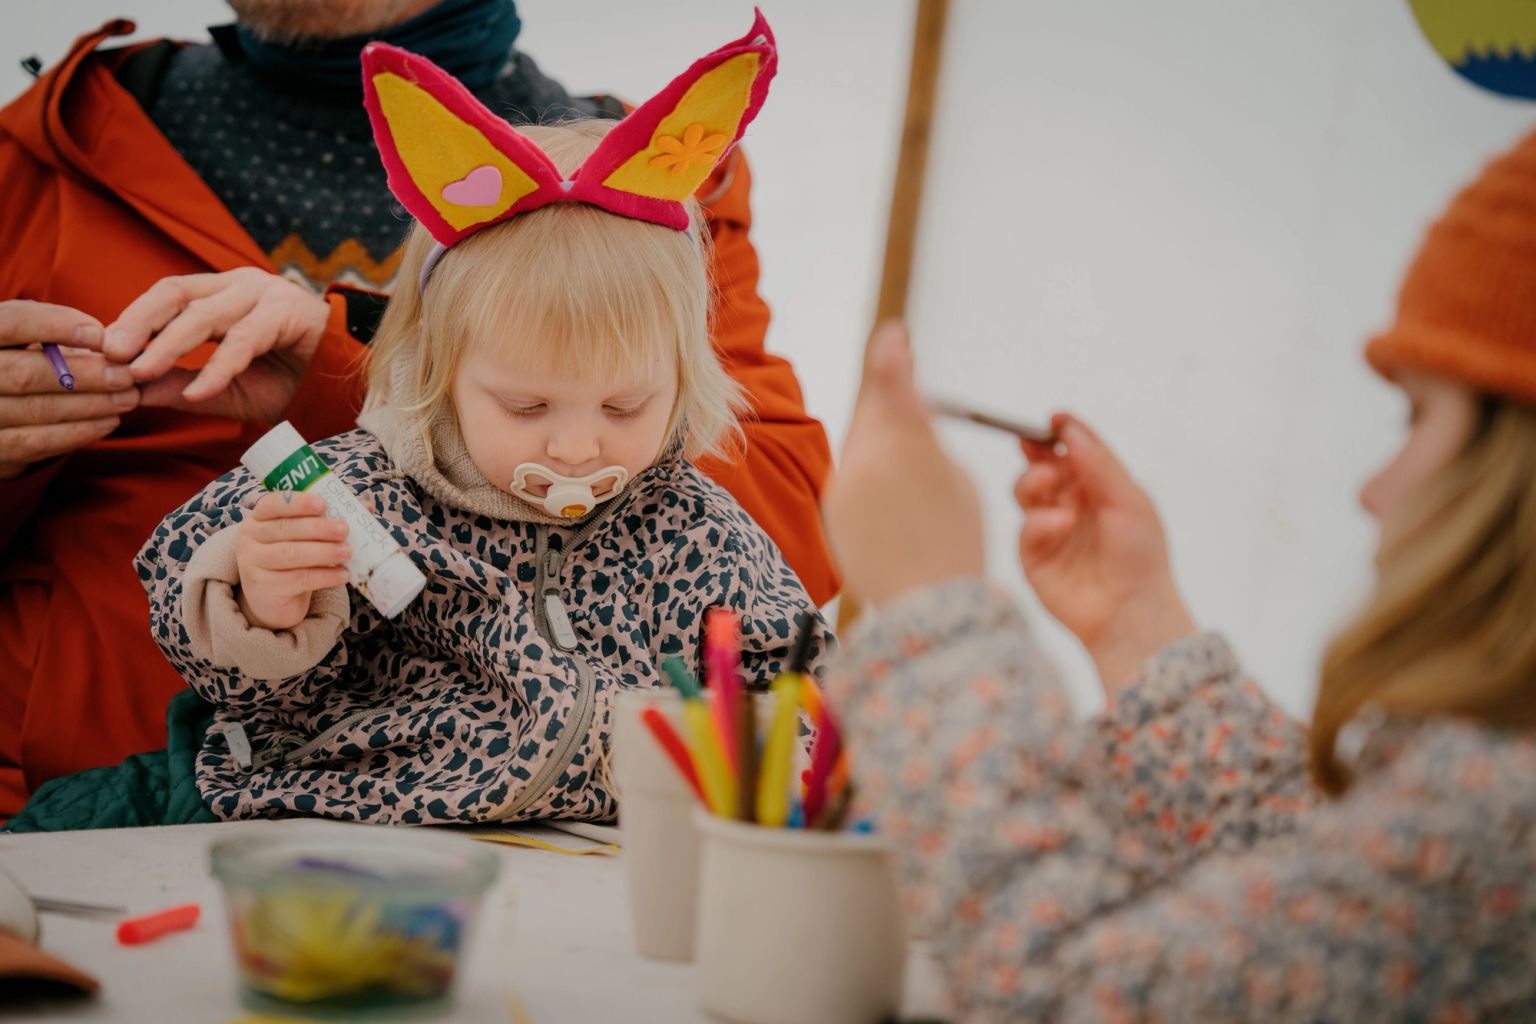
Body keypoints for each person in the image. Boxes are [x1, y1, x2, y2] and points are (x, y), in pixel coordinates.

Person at [0, 0, 837, 822]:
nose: (578, 446)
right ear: (435, 372)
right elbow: (229, 640)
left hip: (581, 850)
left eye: (626, 404)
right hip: (292, 815)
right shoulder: (365, 496)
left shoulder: (654, 192)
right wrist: (261, 603)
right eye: (525, 403)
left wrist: (771, 745)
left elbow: (795, 609)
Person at [822, 127, 1536, 1019]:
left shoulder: (1503, 816)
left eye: (1418, 415)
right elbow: (1329, 886)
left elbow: (1065, 993)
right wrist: (1137, 620)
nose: (1373, 489)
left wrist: (935, 614)